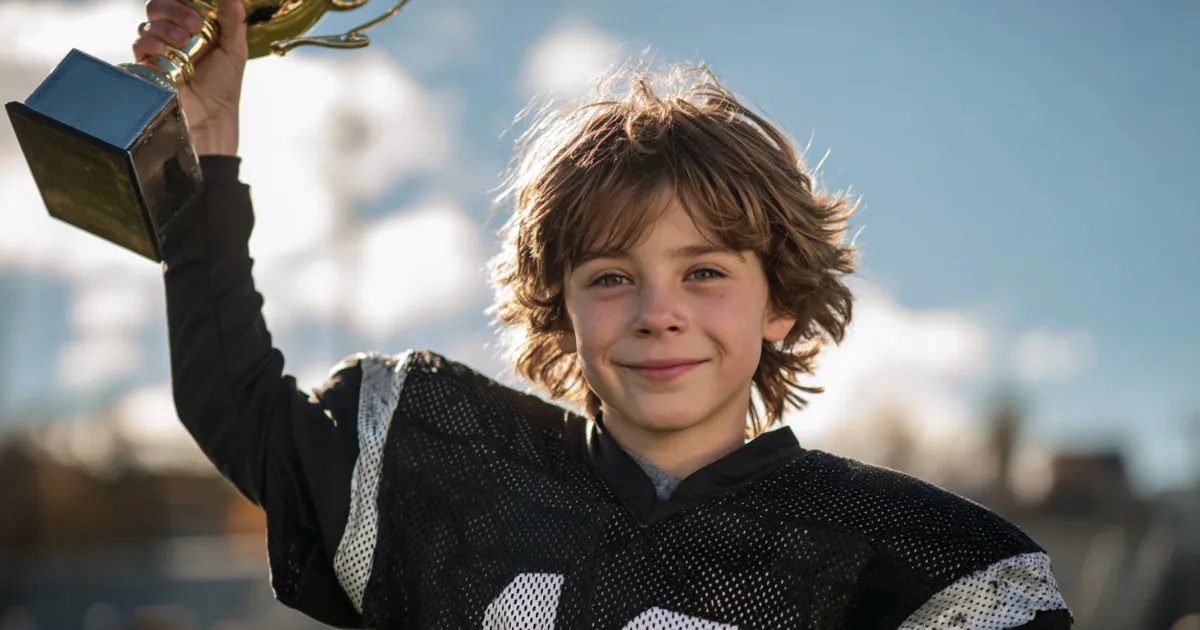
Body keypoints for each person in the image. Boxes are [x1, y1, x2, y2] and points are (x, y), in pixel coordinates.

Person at [133, 0, 1074, 628]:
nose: (659, 313)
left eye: (704, 273)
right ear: (563, 307)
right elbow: (233, 395)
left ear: (782, 303)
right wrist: (208, 131)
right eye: (613, 276)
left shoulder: (919, 564)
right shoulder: (443, 464)